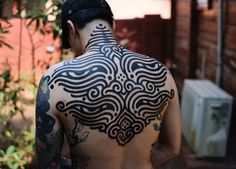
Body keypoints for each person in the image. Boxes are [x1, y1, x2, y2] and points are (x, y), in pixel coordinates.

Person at [35, 0, 181, 168]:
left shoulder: (54, 80)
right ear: (113, 24)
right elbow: (172, 148)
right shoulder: (161, 72)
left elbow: (48, 164)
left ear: (71, 28)